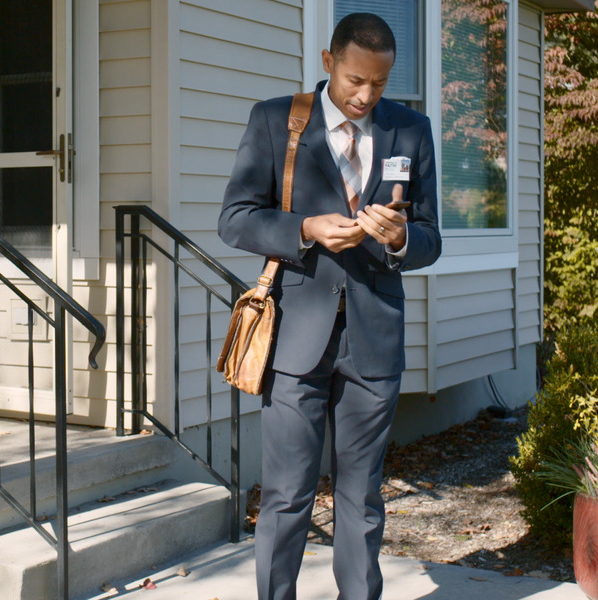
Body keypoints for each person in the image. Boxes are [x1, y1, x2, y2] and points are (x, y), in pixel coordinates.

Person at [217, 12, 442, 600]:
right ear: (328, 64)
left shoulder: (412, 131)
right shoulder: (276, 120)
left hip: (374, 339)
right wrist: (306, 228)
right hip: (295, 337)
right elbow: (235, 219)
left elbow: (430, 237)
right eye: (354, 82)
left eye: (379, 84)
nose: (366, 96)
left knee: (362, 497)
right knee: (288, 496)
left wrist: (398, 239)